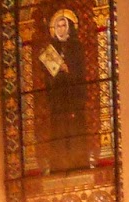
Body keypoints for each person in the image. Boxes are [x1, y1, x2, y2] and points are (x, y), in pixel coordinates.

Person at [38, 8, 89, 173]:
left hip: (74, 97)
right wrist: (55, 70)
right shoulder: (51, 48)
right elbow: (47, 76)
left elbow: (81, 70)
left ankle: (79, 163)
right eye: (58, 26)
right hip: (58, 98)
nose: (60, 28)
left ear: (68, 27)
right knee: (59, 130)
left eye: (63, 25)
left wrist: (69, 69)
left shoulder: (76, 46)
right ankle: (58, 165)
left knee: (75, 129)